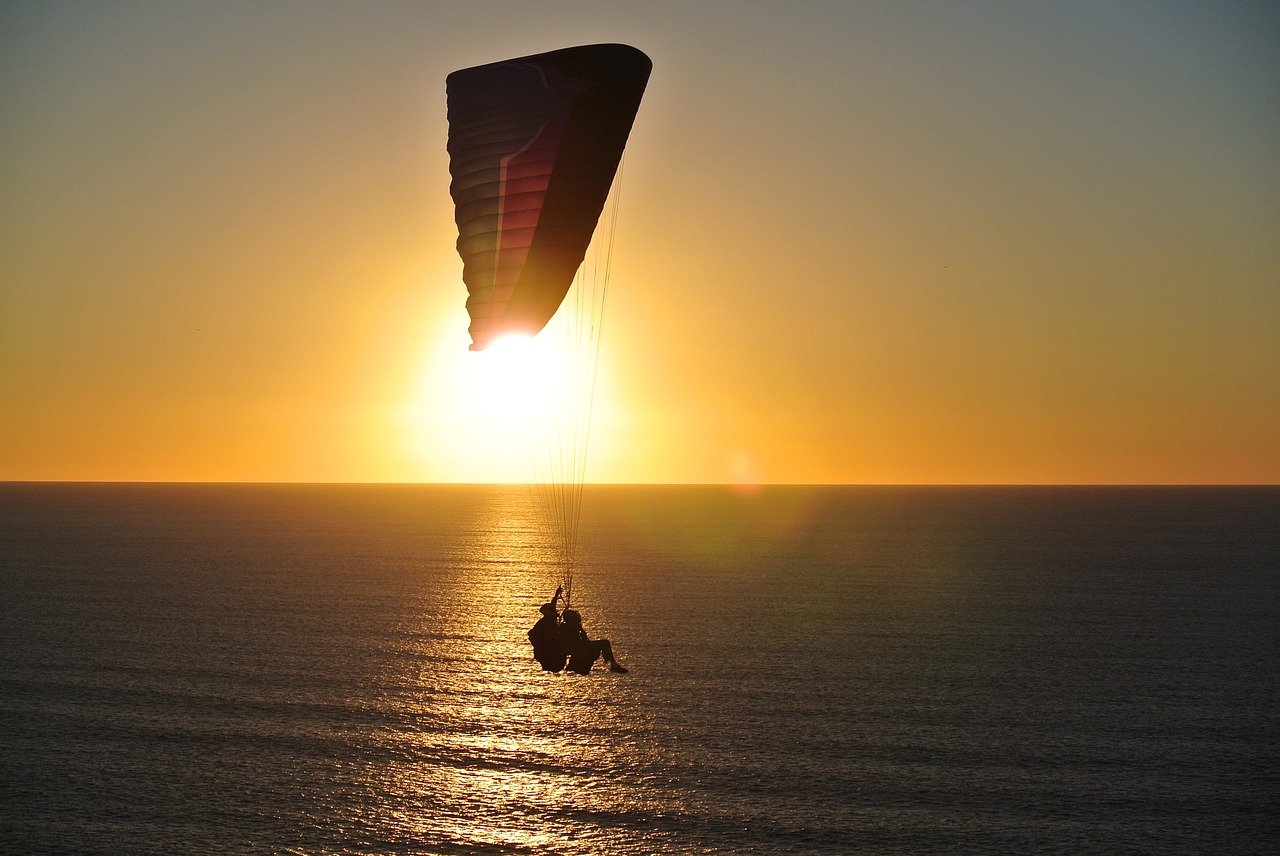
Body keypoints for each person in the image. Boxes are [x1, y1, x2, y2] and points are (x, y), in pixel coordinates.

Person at [559, 608, 627, 674]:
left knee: (604, 644)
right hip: (580, 647)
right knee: (605, 643)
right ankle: (613, 664)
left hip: (581, 646)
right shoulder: (569, 628)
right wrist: (580, 630)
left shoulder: (568, 627)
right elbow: (580, 640)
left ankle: (612, 663)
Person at [527, 587, 567, 672]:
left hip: (549, 655)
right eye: (554, 611)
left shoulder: (550, 620)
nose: (556, 612)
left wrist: (556, 595)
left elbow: (553, 606)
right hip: (550, 656)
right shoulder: (547, 623)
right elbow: (532, 634)